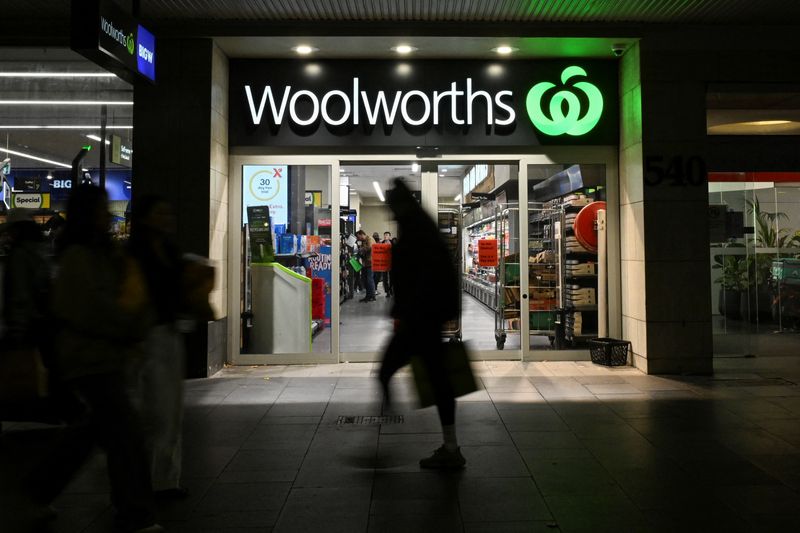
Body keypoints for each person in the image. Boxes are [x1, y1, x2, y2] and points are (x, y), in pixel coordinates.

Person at [51, 184, 162, 533]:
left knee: (92, 432)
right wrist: (129, 326)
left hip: (107, 357)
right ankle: (135, 512)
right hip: (90, 359)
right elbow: (91, 310)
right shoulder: (77, 257)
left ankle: (38, 490)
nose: (107, 215)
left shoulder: (105, 253)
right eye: (100, 209)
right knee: (125, 435)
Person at [379, 179, 464, 469]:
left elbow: (421, 276)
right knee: (439, 382)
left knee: (386, 372)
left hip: (421, 319)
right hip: (427, 317)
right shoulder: (420, 225)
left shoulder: (415, 229)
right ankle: (450, 447)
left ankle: (386, 439)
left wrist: (403, 309)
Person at [128, 194, 188, 500]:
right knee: (149, 410)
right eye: (160, 213)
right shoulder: (133, 254)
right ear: (144, 218)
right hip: (141, 337)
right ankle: (145, 480)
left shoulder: (169, 250)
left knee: (169, 410)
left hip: (167, 332)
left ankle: (165, 479)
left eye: (169, 213)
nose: (167, 219)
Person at [355, 230, 375, 302]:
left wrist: (360, 249)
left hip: (370, 263)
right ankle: (368, 296)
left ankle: (372, 296)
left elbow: (370, 247)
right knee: (365, 280)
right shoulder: (363, 241)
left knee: (369, 280)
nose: (358, 238)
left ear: (361, 234)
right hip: (365, 263)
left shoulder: (370, 238)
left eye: (358, 237)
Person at [380, 231, 393, 297]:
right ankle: (387, 291)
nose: (385, 236)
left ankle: (391, 290)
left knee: (391, 278)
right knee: (385, 278)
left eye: (387, 235)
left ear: (389, 236)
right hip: (384, 263)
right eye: (384, 235)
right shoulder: (381, 243)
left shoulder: (393, 243)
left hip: (391, 263)